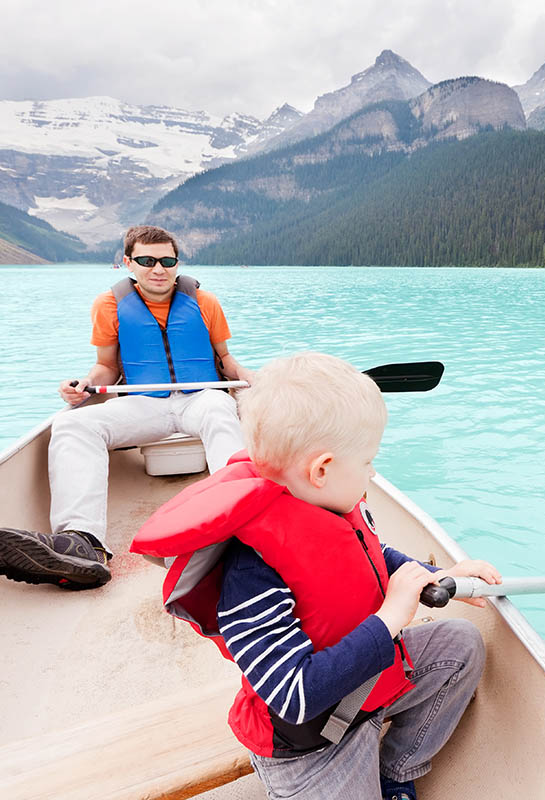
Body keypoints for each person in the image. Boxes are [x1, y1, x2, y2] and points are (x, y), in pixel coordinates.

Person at [131, 352, 502, 800]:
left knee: (460, 646)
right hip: (310, 748)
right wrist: (389, 619)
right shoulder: (254, 571)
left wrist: (438, 575)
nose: (373, 472)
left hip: (368, 695)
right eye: (368, 461)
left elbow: (373, 556)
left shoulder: (330, 508)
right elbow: (293, 697)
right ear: (321, 470)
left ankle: (394, 772)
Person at [0, 225, 254, 591]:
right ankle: (82, 544)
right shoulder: (109, 305)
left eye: (167, 261)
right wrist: (84, 386)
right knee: (74, 425)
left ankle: (240, 527)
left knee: (220, 409)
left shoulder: (204, 302)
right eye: (147, 260)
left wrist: (247, 377)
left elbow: (226, 360)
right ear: (128, 262)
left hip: (202, 398)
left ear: (177, 262)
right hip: (145, 404)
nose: (158, 269)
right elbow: (107, 367)